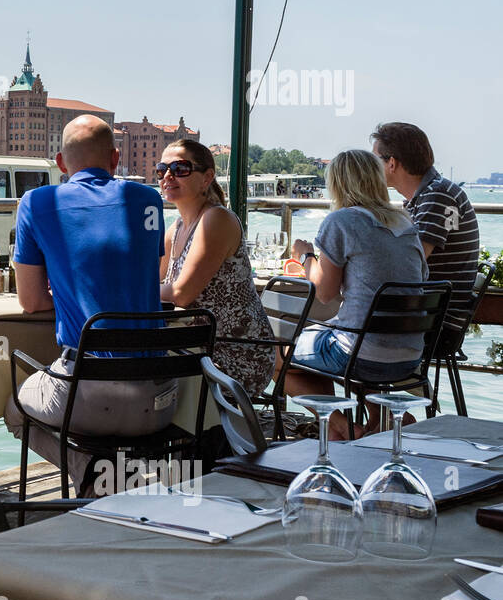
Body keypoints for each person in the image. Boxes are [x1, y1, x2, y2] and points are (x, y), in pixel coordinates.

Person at [7, 116, 174, 494]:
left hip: (86, 399)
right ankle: (115, 475)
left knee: (15, 410)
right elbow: (143, 272)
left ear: (60, 163)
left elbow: (30, 301)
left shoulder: (36, 202)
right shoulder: (149, 199)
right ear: (115, 159)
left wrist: (69, 291)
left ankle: (91, 473)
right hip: (160, 402)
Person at [285, 149, 428, 439]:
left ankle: (341, 426)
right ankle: (381, 415)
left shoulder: (341, 222)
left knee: (276, 354)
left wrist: (305, 256)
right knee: (338, 341)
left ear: (337, 184)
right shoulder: (406, 224)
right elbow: (419, 279)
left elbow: (324, 293)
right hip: (410, 357)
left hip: (362, 356)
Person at [159, 139, 274, 399]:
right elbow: (151, 281)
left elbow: (180, 294)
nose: (168, 176)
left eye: (180, 169)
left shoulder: (216, 219)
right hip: (195, 348)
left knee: (140, 368)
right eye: (161, 169)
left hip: (235, 356)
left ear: (207, 177)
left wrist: (129, 290)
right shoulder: (175, 229)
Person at [371, 122, 480, 345]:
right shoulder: (427, 195)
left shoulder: (438, 196)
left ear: (392, 163)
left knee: (298, 337)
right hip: (426, 317)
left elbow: (409, 262)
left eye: (373, 161)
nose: (369, 168)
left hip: (433, 325)